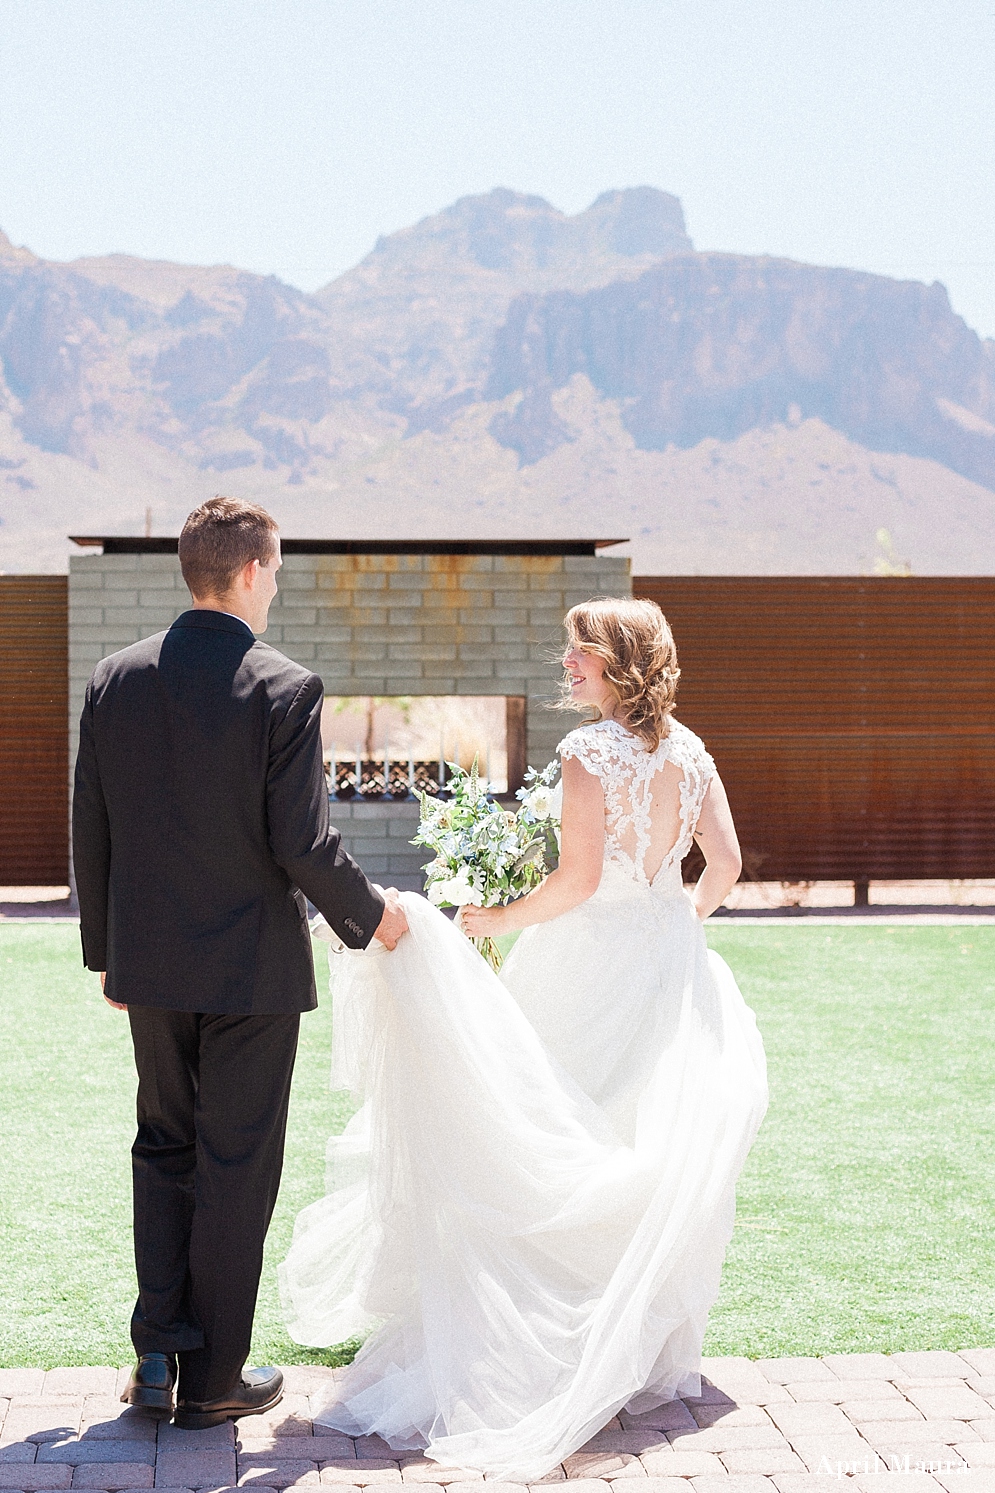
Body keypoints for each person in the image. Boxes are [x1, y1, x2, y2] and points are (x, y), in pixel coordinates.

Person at [279, 596, 768, 1483]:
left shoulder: (588, 752)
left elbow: (576, 883)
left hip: (583, 966)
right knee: (628, 1144)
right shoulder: (689, 750)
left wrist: (490, 916)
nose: (566, 666)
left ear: (619, 661)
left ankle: (542, 1342)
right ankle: (619, 1341)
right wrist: (674, 923)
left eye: (579, 654)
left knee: (531, 1137)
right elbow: (725, 863)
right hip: (670, 969)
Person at [72, 496, 408, 1430]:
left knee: (162, 1146)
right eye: (278, 570)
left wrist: (110, 953)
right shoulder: (285, 687)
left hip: (150, 964)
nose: (278, 585)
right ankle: (216, 1375)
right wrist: (371, 918)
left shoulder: (114, 678)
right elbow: (302, 842)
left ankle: (154, 1356)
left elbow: (89, 825)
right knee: (235, 1164)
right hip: (251, 972)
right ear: (253, 571)